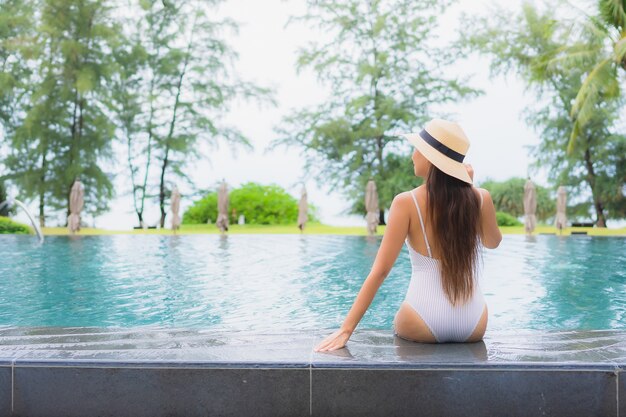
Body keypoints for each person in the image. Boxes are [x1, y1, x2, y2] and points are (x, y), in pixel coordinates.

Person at [315, 119, 502, 352]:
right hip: (473, 323)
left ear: (431, 158)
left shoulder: (406, 202)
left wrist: (346, 330)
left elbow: (380, 271)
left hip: (421, 320)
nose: (412, 156)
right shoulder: (480, 197)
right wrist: (471, 188)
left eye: (417, 150)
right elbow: (492, 242)